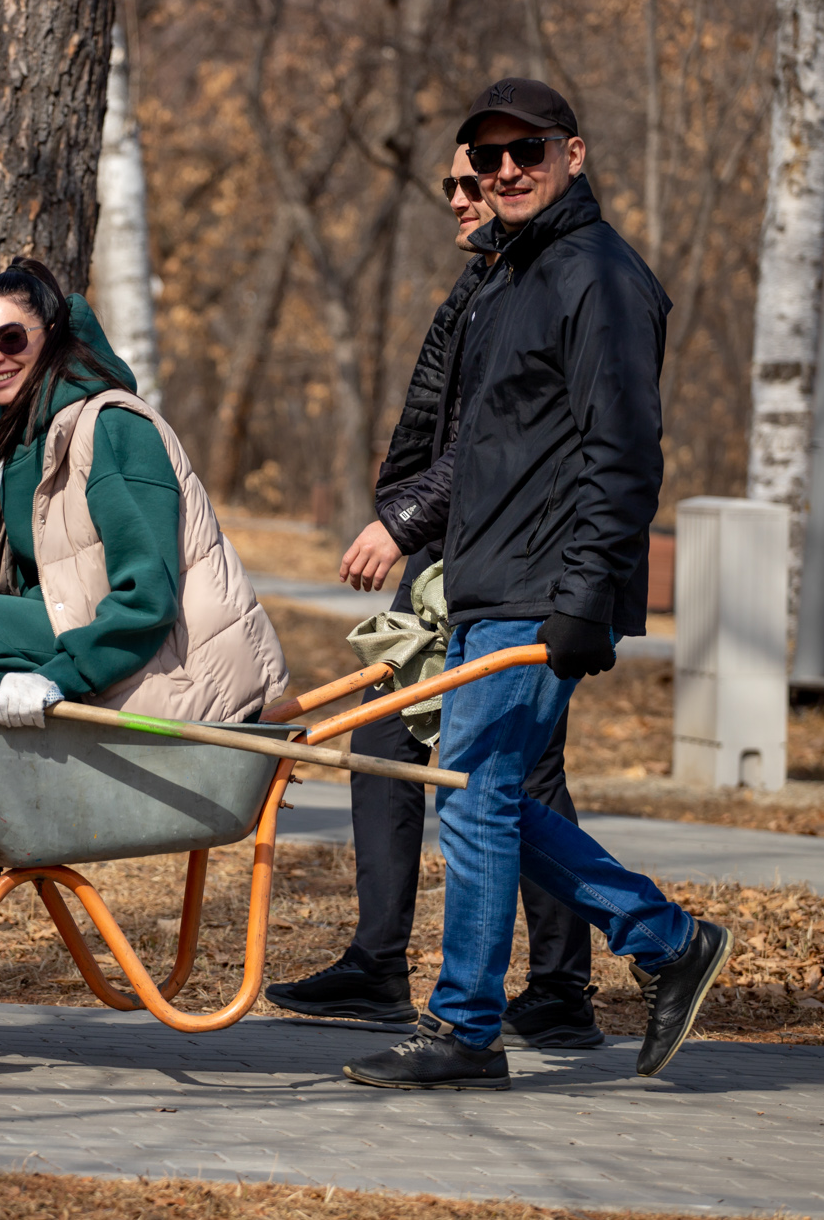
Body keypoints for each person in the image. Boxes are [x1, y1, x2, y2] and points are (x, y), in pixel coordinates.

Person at [341, 79, 731, 1092]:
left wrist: (585, 597)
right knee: (489, 794)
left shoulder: (597, 275)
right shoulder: (509, 274)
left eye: (527, 151)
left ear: (573, 153)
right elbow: (479, 445)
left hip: (543, 584)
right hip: (487, 580)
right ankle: (666, 939)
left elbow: (623, 453)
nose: (505, 170)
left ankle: (466, 1027)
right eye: (488, 157)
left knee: (475, 793)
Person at [266, 146, 604, 1051]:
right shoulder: (485, 279)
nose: (461, 196)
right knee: (392, 733)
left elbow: (503, 442)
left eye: (474, 180)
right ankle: (382, 961)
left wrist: (403, 519)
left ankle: (573, 978)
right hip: (456, 549)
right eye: (451, 183)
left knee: (515, 771)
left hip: (508, 556)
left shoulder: (541, 280)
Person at [0, 258, 287, 727]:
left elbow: (148, 597)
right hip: (82, 636)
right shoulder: (1, 452)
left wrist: (59, 678)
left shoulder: (111, 426)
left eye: (11, 338)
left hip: (167, 669)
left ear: (52, 334)